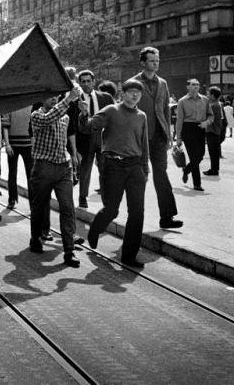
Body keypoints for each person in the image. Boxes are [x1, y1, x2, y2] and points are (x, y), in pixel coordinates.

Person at [82, 80, 150, 268]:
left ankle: (129, 256)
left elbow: (144, 144)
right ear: (123, 93)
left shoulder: (142, 116)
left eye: (138, 93)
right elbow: (88, 127)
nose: (134, 96)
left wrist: (145, 169)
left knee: (137, 212)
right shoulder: (112, 110)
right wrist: (84, 113)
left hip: (135, 167)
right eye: (131, 92)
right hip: (113, 166)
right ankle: (96, 228)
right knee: (112, 209)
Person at [29, 86, 83, 267]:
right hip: (43, 167)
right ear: (42, 99)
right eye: (49, 96)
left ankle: (69, 250)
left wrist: (72, 162)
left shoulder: (65, 117)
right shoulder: (37, 116)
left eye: (56, 96)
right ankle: (35, 237)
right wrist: (68, 99)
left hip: (63, 168)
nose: (54, 99)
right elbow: (49, 118)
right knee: (39, 206)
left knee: (68, 207)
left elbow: (67, 140)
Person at [129, 47, 183, 229]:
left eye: (157, 60)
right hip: (139, 137)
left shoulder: (163, 83)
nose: (156, 63)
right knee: (139, 178)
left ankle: (167, 216)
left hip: (159, 136)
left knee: (161, 175)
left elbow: (166, 110)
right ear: (143, 62)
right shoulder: (132, 83)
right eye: (152, 60)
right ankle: (135, 219)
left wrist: (169, 135)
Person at [70, 70, 115, 207]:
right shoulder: (75, 102)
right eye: (83, 81)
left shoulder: (105, 98)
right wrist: (74, 149)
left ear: (94, 82)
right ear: (79, 83)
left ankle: (107, 201)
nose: (86, 84)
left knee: (105, 170)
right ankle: (82, 198)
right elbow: (72, 125)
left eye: (89, 81)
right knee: (85, 171)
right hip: (84, 139)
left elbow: (114, 117)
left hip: (103, 138)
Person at [175, 78, 213, 191]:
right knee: (193, 156)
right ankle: (197, 184)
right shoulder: (182, 101)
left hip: (200, 128)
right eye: (193, 84)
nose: (196, 86)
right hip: (188, 129)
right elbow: (179, 120)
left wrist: (206, 123)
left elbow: (211, 115)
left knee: (200, 155)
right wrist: (179, 137)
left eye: (197, 84)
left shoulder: (205, 100)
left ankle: (186, 170)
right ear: (188, 87)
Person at [1, 105, 34, 210]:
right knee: (12, 173)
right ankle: (11, 199)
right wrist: (7, 144)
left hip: (28, 145)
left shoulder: (32, 104)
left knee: (31, 174)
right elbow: (5, 126)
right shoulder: (11, 104)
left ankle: (33, 202)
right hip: (13, 145)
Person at [203, 86, 224, 176]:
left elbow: (210, 118)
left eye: (208, 94)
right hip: (215, 130)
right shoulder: (217, 104)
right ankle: (214, 169)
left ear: (213, 95)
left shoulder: (214, 105)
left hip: (212, 131)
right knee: (214, 152)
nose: (207, 95)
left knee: (213, 152)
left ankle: (214, 170)